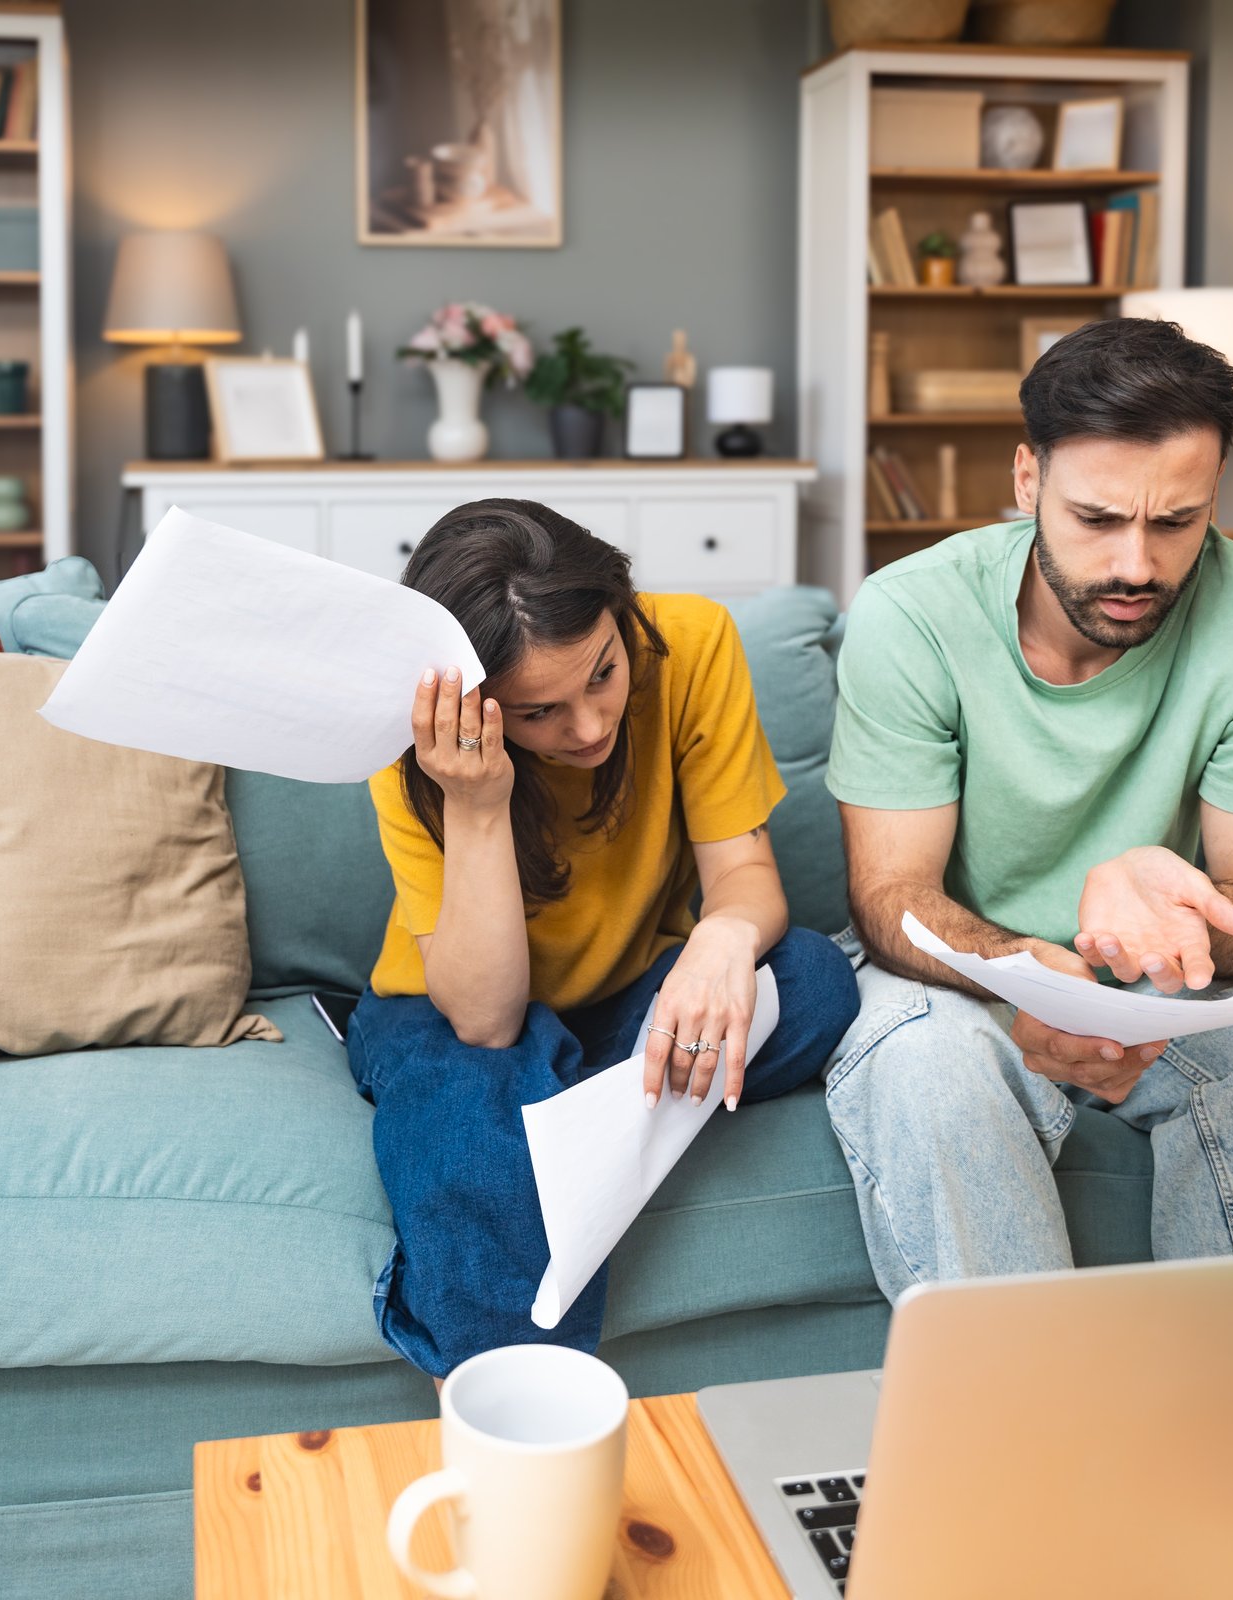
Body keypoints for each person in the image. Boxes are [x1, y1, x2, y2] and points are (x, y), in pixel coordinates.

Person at [822, 317, 1233, 1300]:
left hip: (1170, 981)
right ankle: (1027, 1434)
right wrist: (1032, 980)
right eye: (1096, 519)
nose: (1137, 564)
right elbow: (891, 895)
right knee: (925, 1070)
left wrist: (1177, 903)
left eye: (1177, 523)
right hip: (961, 980)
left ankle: (1232, 1426)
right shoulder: (912, 612)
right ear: (1027, 482)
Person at [351, 498, 860, 1378]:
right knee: (469, 1107)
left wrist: (722, 942)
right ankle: (529, 1429)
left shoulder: (690, 642)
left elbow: (746, 879)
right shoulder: (414, 741)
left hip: (633, 997)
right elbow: (485, 1019)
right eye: (538, 712)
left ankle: (546, 1108)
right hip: (456, 1014)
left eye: (602, 673)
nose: (587, 726)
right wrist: (476, 806)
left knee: (814, 978)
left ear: (622, 616)